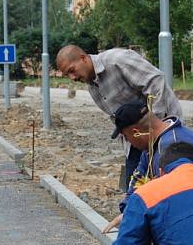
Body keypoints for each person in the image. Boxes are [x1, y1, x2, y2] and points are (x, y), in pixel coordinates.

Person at [56, 45, 183, 189]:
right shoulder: (92, 84)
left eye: (72, 70)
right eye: (67, 75)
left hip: (164, 133)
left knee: (168, 184)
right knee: (135, 187)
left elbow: (155, 82)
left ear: (83, 58)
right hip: (138, 140)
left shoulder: (118, 60)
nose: (72, 77)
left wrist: (156, 127)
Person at [102, 101, 193, 233]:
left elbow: (177, 201)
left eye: (126, 137)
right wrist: (128, 211)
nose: (128, 142)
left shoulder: (172, 148)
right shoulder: (153, 144)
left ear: (136, 132)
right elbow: (139, 178)